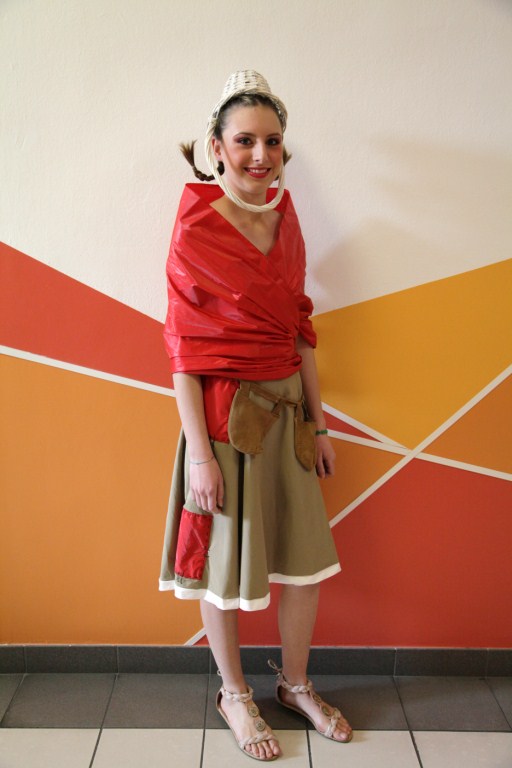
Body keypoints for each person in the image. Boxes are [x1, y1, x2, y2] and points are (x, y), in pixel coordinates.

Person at [160, 71, 352, 761]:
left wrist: (320, 424)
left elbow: (300, 331)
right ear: (216, 147)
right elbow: (183, 351)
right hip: (223, 426)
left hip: (289, 419)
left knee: (304, 566)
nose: (260, 155)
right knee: (223, 567)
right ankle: (235, 695)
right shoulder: (195, 226)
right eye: (244, 141)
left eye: (272, 141)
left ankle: (294, 685)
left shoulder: (286, 216)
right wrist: (200, 456)